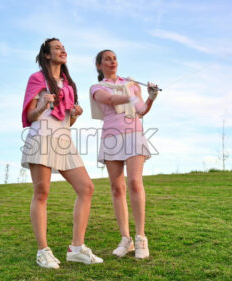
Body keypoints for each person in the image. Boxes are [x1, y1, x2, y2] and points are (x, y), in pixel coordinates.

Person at [21, 38, 103, 269]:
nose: (62, 50)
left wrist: (75, 113)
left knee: (86, 188)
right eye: (57, 47)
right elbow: (30, 116)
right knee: (42, 192)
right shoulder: (37, 79)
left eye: (63, 47)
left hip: (63, 138)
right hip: (42, 136)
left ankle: (76, 249)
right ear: (47, 55)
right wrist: (42, 105)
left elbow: (69, 120)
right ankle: (43, 251)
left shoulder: (68, 84)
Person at [89, 49, 159, 259]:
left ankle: (140, 237)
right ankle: (126, 239)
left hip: (134, 134)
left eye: (115, 58)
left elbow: (140, 110)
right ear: (99, 66)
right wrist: (129, 93)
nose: (112, 61)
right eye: (107, 59)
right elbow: (109, 99)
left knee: (135, 183)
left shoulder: (130, 84)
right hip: (111, 137)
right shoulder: (97, 87)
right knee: (116, 188)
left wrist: (150, 98)